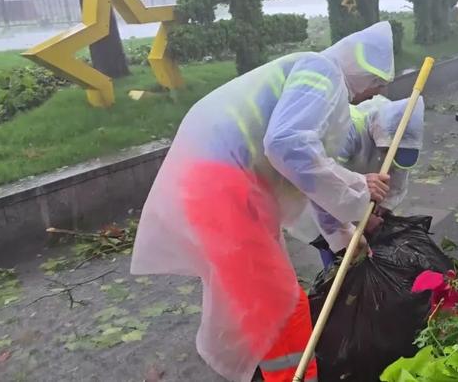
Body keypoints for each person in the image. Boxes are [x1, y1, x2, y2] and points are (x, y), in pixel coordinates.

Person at [130, 21, 395, 382]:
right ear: (362, 68)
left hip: (222, 185)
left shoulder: (318, 78)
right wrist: (358, 187)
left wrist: (342, 234)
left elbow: (310, 173)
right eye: (377, 82)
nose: (374, 92)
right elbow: (288, 147)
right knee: (282, 309)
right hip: (222, 188)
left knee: (263, 304)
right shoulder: (323, 74)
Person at [309, 95, 426, 270]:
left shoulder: (400, 129)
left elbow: (398, 174)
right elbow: (326, 186)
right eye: (387, 151)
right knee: (340, 260)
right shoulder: (347, 129)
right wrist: (362, 216)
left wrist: (384, 205)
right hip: (329, 201)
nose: (389, 157)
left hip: (363, 190)